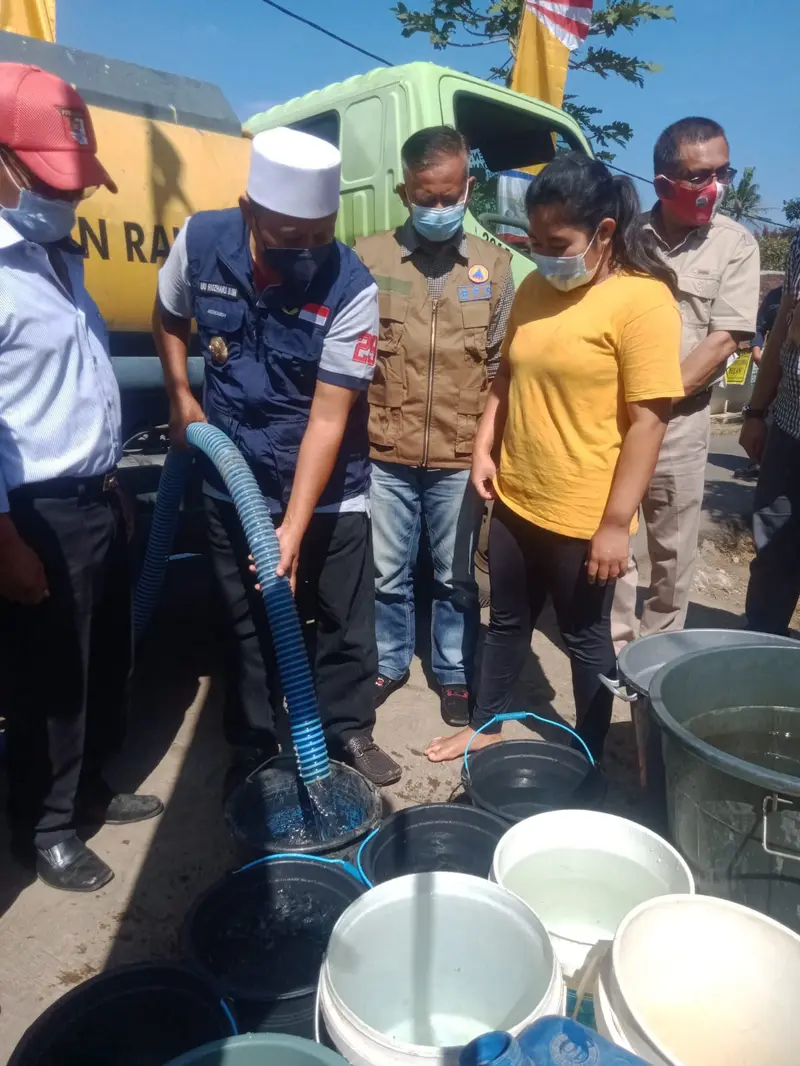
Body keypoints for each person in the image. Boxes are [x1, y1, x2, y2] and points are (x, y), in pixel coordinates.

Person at [153, 126, 401, 787]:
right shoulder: (201, 243)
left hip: (328, 489)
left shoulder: (351, 285)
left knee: (345, 622)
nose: (306, 249)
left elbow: (327, 415)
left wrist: (291, 529)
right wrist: (181, 395)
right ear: (249, 211)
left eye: (319, 232)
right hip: (231, 480)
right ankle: (256, 744)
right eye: (290, 234)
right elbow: (168, 315)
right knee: (245, 618)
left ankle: (347, 732)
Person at [425, 153, 683, 763]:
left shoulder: (643, 304)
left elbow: (650, 421)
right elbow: (507, 375)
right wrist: (486, 447)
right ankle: (486, 724)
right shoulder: (537, 287)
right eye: (533, 239)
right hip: (518, 494)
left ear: (603, 232)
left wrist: (616, 524)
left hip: (586, 511)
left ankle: (589, 756)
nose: (541, 251)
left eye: (555, 240)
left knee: (586, 638)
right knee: (508, 622)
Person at [0, 64, 162, 892]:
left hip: (95, 499)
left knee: (104, 661)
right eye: (51, 182)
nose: (69, 201)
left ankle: (91, 787)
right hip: (32, 516)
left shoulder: (59, 261)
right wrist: (6, 541)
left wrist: (112, 488)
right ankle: (45, 827)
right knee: (47, 682)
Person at [356, 127, 514, 726]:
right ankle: (391, 660)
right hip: (384, 450)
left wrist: (488, 449)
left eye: (451, 197)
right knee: (386, 572)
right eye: (428, 197)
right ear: (404, 191)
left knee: (455, 578)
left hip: (458, 454)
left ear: (469, 188)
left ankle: (451, 669)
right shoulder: (367, 260)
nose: (441, 208)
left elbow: (500, 366)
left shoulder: (495, 267)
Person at [612, 117, 760, 649]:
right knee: (616, 532)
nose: (715, 186)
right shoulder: (622, 235)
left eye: (723, 171)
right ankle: (616, 650)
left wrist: (655, 402)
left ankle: (660, 652)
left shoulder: (735, 245)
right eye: (701, 175)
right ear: (662, 182)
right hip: (616, 419)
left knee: (673, 548)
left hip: (680, 420)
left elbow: (724, 340)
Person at [740, 231, 800, 633]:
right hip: (789, 427)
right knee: (773, 546)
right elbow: (782, 327)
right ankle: (759, 651)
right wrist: (756, 411)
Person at [734, 284, 782, 481]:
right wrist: (756, 352)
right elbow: (760, 328)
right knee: (763, 414)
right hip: (772, 366)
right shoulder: (775, 296)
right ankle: (758, 461)